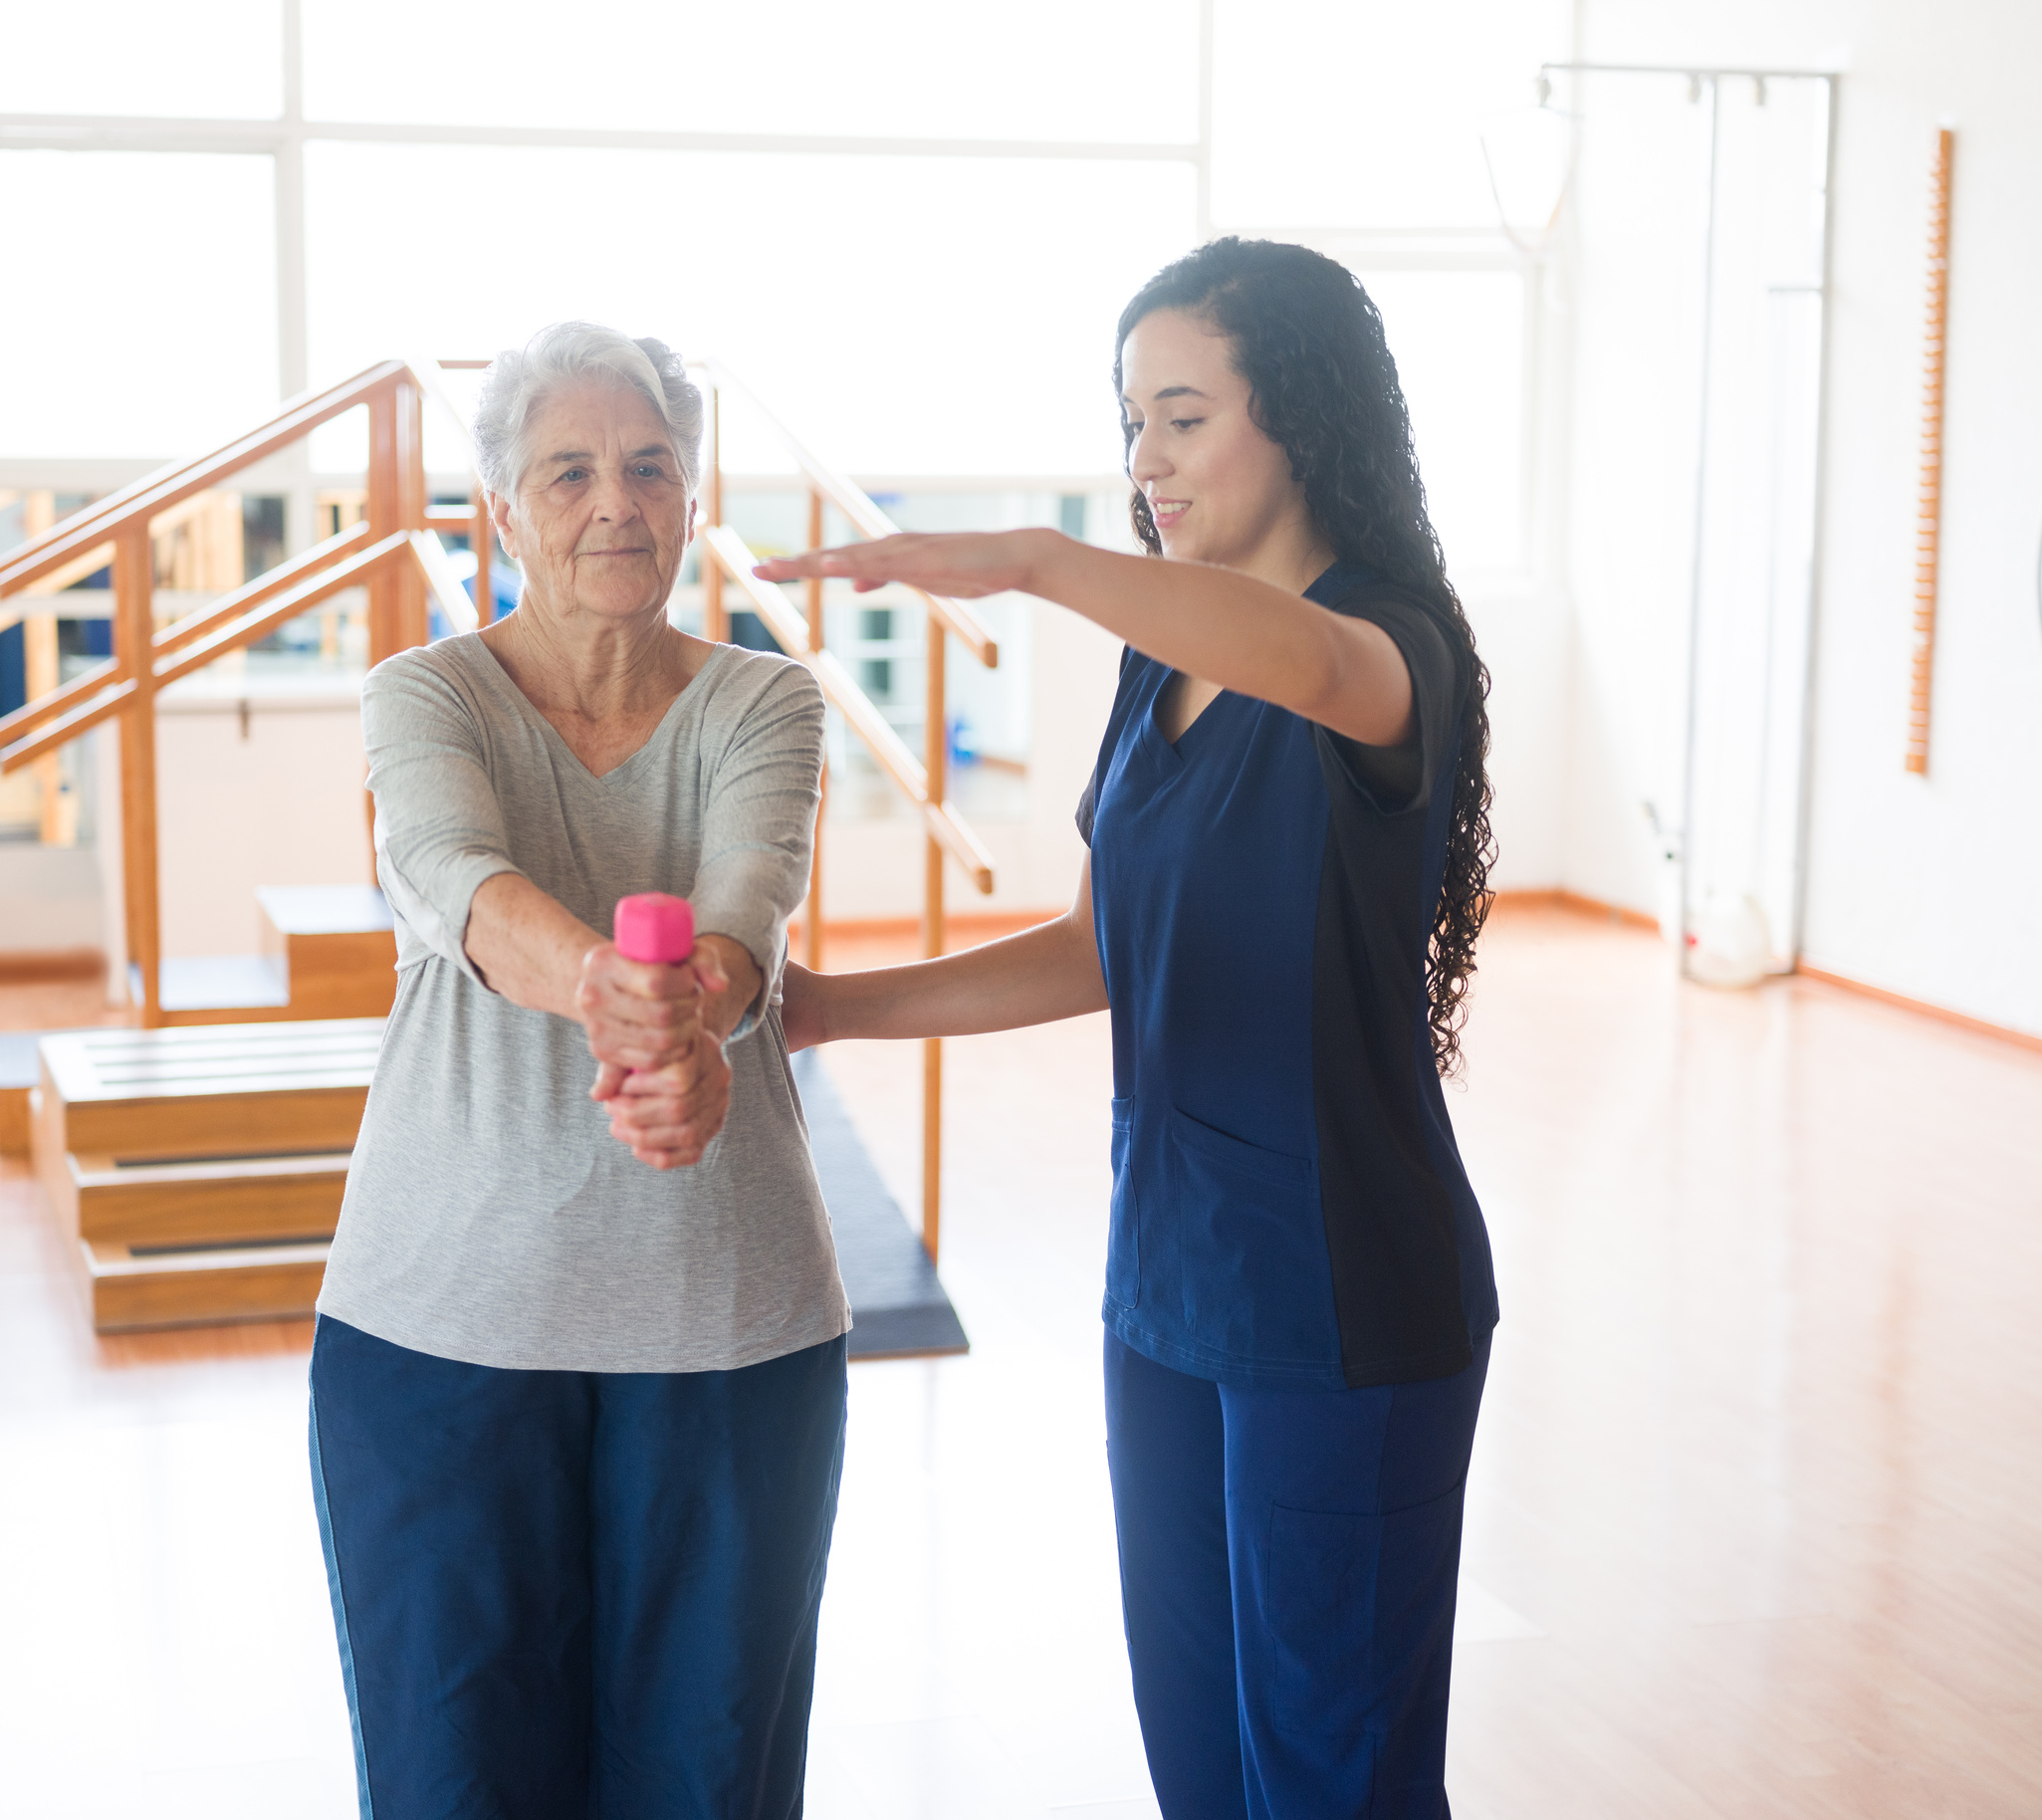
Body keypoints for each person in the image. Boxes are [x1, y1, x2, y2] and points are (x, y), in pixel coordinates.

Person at [755, 236, 1500, 1817]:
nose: (1145, 462)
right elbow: (1099, 948)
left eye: (1181, 416)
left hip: (1341, 1294)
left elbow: (1304, 662)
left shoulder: (1392, 649)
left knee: (1329, 1773)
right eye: (1129, 421)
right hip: (1165, 1275)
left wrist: (1030, 559)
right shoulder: (1156, 657)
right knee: (1203, 1762)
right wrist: (824, 1011)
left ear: (1294, 417)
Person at [310, 322, 849, 1819]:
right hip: (439, 1331)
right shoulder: (425, 694)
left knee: (706, 1782)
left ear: (689, 497)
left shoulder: (765, 700)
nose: (615, 502)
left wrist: (705, 1000)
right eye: (568, 472)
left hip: (728, 1337)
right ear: (502, 509)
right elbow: (446, 870)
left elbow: (749, 895)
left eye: (649, 468)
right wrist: (619, 998)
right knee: (453, 1780)